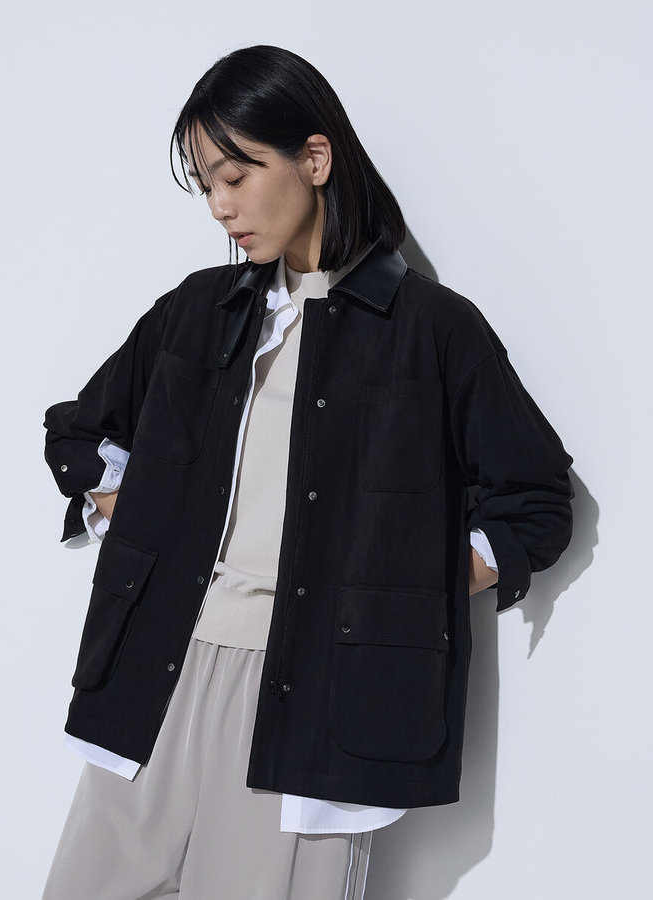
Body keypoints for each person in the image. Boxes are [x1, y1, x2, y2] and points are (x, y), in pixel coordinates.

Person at [40, 45, 574, 900]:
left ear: (314, 159)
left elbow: (536, 500)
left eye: (236, 175)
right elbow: (81, 429)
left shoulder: (432, 330)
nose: (221, 206)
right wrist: (128, 512)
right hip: (155, 676)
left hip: (319, 702)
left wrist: (408, 588)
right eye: (206, 186)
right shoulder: (197, 312)